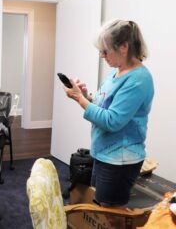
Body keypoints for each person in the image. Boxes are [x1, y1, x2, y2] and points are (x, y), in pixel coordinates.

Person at [62, 20, 154, 210]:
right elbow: (105, 104)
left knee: (112, 214)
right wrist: (86, 94)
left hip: (119, 160)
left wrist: (80, 99)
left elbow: (112, 121)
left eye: (105, 50)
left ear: (124, 47)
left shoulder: (138, 80)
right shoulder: (116, 71)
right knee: (102, 206)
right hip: (104, 154)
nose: (101, 55)